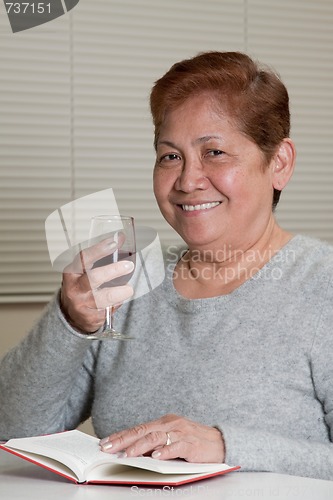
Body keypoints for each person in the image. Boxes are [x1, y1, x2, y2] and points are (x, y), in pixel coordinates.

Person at [0, 51, 333, 481]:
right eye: (170, 156)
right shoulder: (126, 281)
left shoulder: (322, 285)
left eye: (214, 152)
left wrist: (225, 446)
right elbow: (16, 432)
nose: (187, 180)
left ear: (279, 164)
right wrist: (71, 321)